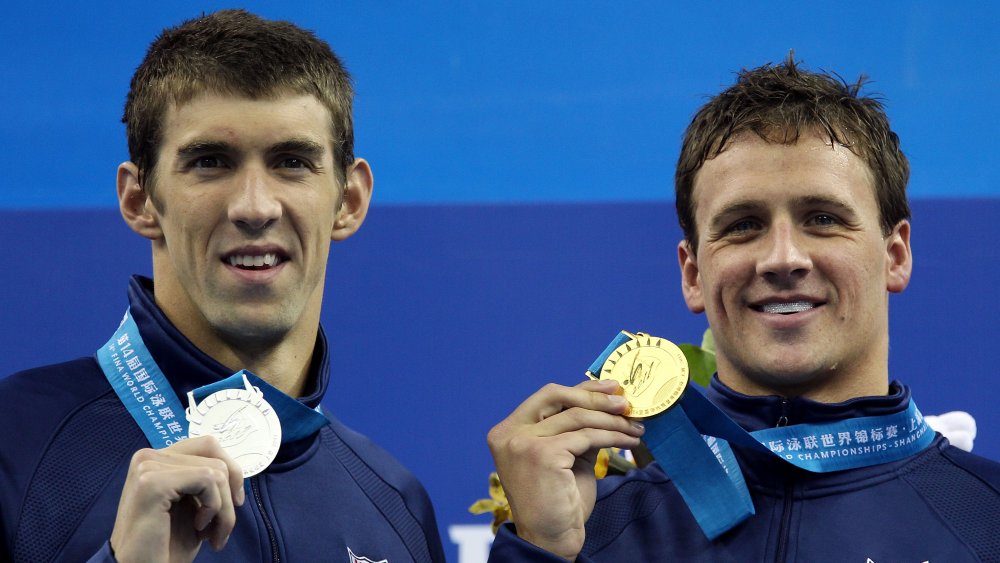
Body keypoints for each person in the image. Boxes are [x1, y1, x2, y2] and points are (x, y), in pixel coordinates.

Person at [486, 55, 1000, 561]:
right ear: (692, 275)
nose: (783, 259)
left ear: (896, 256)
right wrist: (541, 553)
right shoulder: (585, 537)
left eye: (822, 218)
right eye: (742, 225)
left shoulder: (987, 521)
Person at [0, 10, 444, 563]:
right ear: (140, 201)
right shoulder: (15, 446)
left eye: (292, 162)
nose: (254, 207)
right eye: (210, 162)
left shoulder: (395, 504)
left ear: (348, 202)